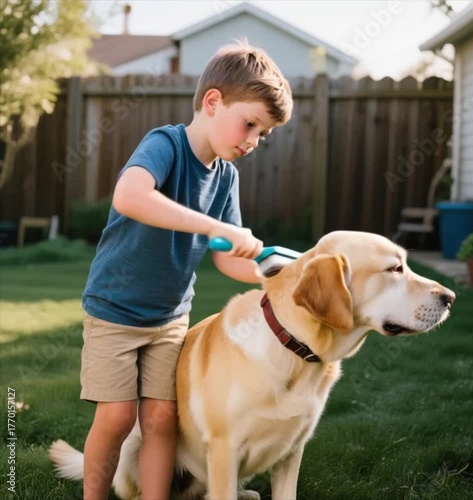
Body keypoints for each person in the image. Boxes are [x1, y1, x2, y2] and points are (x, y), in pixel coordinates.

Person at [80, 42, 293, 499]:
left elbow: (225, 257)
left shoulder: (226, 178)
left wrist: (278, 276)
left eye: (263, 134)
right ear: (213, 102)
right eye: (251, 124)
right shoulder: (166, 144)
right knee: (117, 417)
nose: (253, 140)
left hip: (170, 319)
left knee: (161, 419)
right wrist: (215, 225)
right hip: (114, 310)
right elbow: (130, 197)